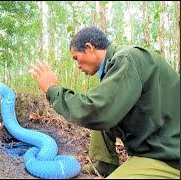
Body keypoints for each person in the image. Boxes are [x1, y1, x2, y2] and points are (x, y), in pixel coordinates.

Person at [29, 26, 180, 178]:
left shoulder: (126, 59)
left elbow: (97, 111)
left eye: (76, 58)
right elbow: (102, 104)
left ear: (89, 48)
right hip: (156, 146)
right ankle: (104, 164)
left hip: (166, 156)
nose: (78, 66)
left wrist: (53, 90)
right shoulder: (118, 64)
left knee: (101, 109)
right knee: (103, 102)